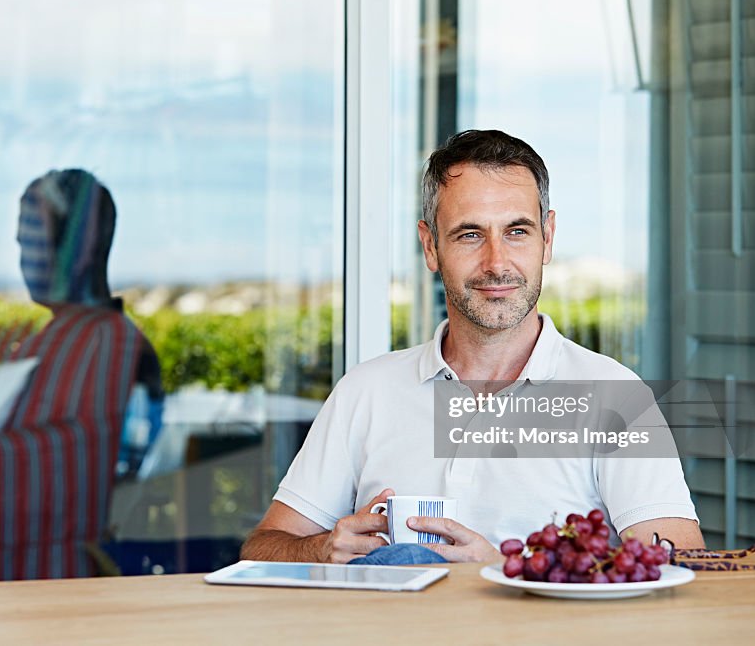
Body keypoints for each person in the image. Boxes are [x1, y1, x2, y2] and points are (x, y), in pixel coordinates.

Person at [241, 130, 703, 565]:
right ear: (429, 246)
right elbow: (262, 548)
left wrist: (506, 569)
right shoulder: (365, 391)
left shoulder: (615, 396)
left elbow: (681, 568)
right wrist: (322, 549)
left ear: (548, 238)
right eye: (469, 234)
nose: (496, 262)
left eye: (517, 231)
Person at [18, 169, 163, 413]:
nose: (24, 259)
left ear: (76, 250)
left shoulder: (104, 347)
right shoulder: (104, 341)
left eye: (30, 242)